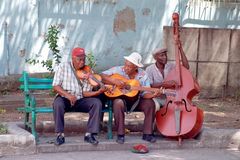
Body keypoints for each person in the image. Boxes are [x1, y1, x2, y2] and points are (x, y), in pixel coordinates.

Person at [100, 52, 162, 144]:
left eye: (129, 66)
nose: (125, 68)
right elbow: (101, 76)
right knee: (118, 103)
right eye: (125, 65)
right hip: (121, 100)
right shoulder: (118, 70)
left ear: (136, 67)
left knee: (150, 103)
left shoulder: (143, 75)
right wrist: (113, 81)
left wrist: (153, 95)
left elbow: (145, 93)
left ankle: (147, 134)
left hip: (137, 101)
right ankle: (120, 134)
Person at [52, 47, 106, 146]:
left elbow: (85, 93)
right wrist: (68, 95)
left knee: (96, 103)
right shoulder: (63, 67)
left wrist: (98, 92)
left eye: (83, 59)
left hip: (80, 99)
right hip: (65, 98)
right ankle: (60, 135)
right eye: (79, 59)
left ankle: (89, 134)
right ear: (73, 58)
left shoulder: (88, 70)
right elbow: (56, 86)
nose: (82, 62)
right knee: (58, 103)